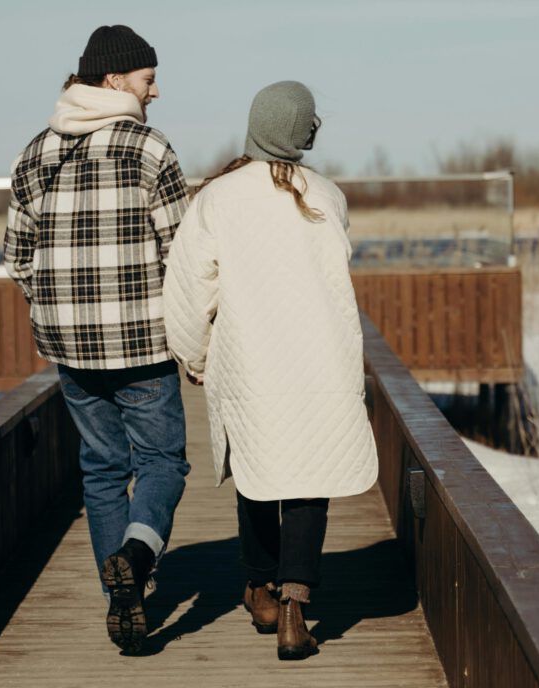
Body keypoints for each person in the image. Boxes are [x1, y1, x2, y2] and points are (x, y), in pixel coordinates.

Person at [162, 81, 378, 660]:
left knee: (258, 470)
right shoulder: (329, 196)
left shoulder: (218, 198)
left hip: (251, 362)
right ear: (302, 133)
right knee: (310, 479)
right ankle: (294, 607)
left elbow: (187, 290)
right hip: (322, 361)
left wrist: (196, 357)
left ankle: (258, 589)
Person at [3, 24, 191, 654]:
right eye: (147, 78)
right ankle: (135, 559)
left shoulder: (33, 153)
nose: (156, 90)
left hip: (68, 349)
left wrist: (57, 309)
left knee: (102, 470)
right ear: (114, 81)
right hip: (142, 341)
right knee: (162, 462)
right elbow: (181, 252)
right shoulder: (150, 149)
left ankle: (122, 599)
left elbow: (17, 257)